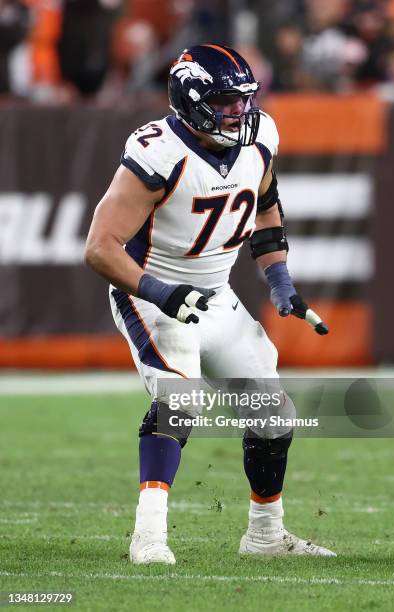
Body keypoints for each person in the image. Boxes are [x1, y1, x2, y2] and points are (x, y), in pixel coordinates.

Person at [85, 44, 336, 564]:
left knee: (273, 414)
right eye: (224, 102)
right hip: (151, 291)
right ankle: (149, 537)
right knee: (181, 399)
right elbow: (100, 248)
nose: (238, 113)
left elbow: (264, 207)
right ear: (190, 99)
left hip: (216, 295)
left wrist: (280, 278)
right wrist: (160, 292)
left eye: (243, 101)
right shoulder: (157, 153)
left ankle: (266, 535)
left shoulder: (259, 137)